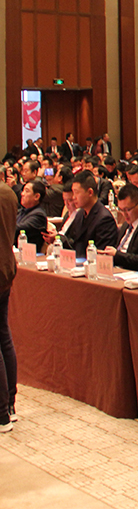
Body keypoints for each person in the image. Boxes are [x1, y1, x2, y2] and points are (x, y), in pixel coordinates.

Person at [66, 171, 118, 258]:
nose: (73, 197)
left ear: (90, 192)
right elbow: (74, 243)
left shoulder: (104, 219)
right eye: (73, 192)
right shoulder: (79, 214)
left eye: (76, 192)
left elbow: (101, 253)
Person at [0, 180, 17, 432]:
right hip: (6, 268)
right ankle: (10, 403)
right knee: (3, 335)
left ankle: (1, 414)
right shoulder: (8, 192)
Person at [16, 180, 47, 252]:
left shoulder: (39, 215)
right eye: (23, 190)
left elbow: (16, 230)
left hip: (30, 256)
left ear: (36, 196)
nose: (22, 194)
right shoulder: (21, 211)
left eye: (27, 191)